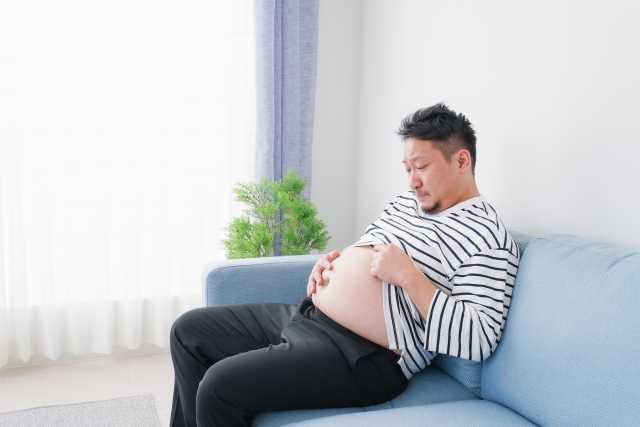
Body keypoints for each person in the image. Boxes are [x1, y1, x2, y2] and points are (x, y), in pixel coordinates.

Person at [169, 103, 520, 426]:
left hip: (363, 356)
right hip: (310, 317)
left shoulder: (487, 238)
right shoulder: (407, 202)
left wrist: (409, 277)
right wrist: (330, 265)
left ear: (462, 161)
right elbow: (367, 253)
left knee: (218, 387)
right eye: (408, 169)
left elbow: (479, 339)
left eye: (422, 167)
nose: (412, 181)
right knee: (188, 332)